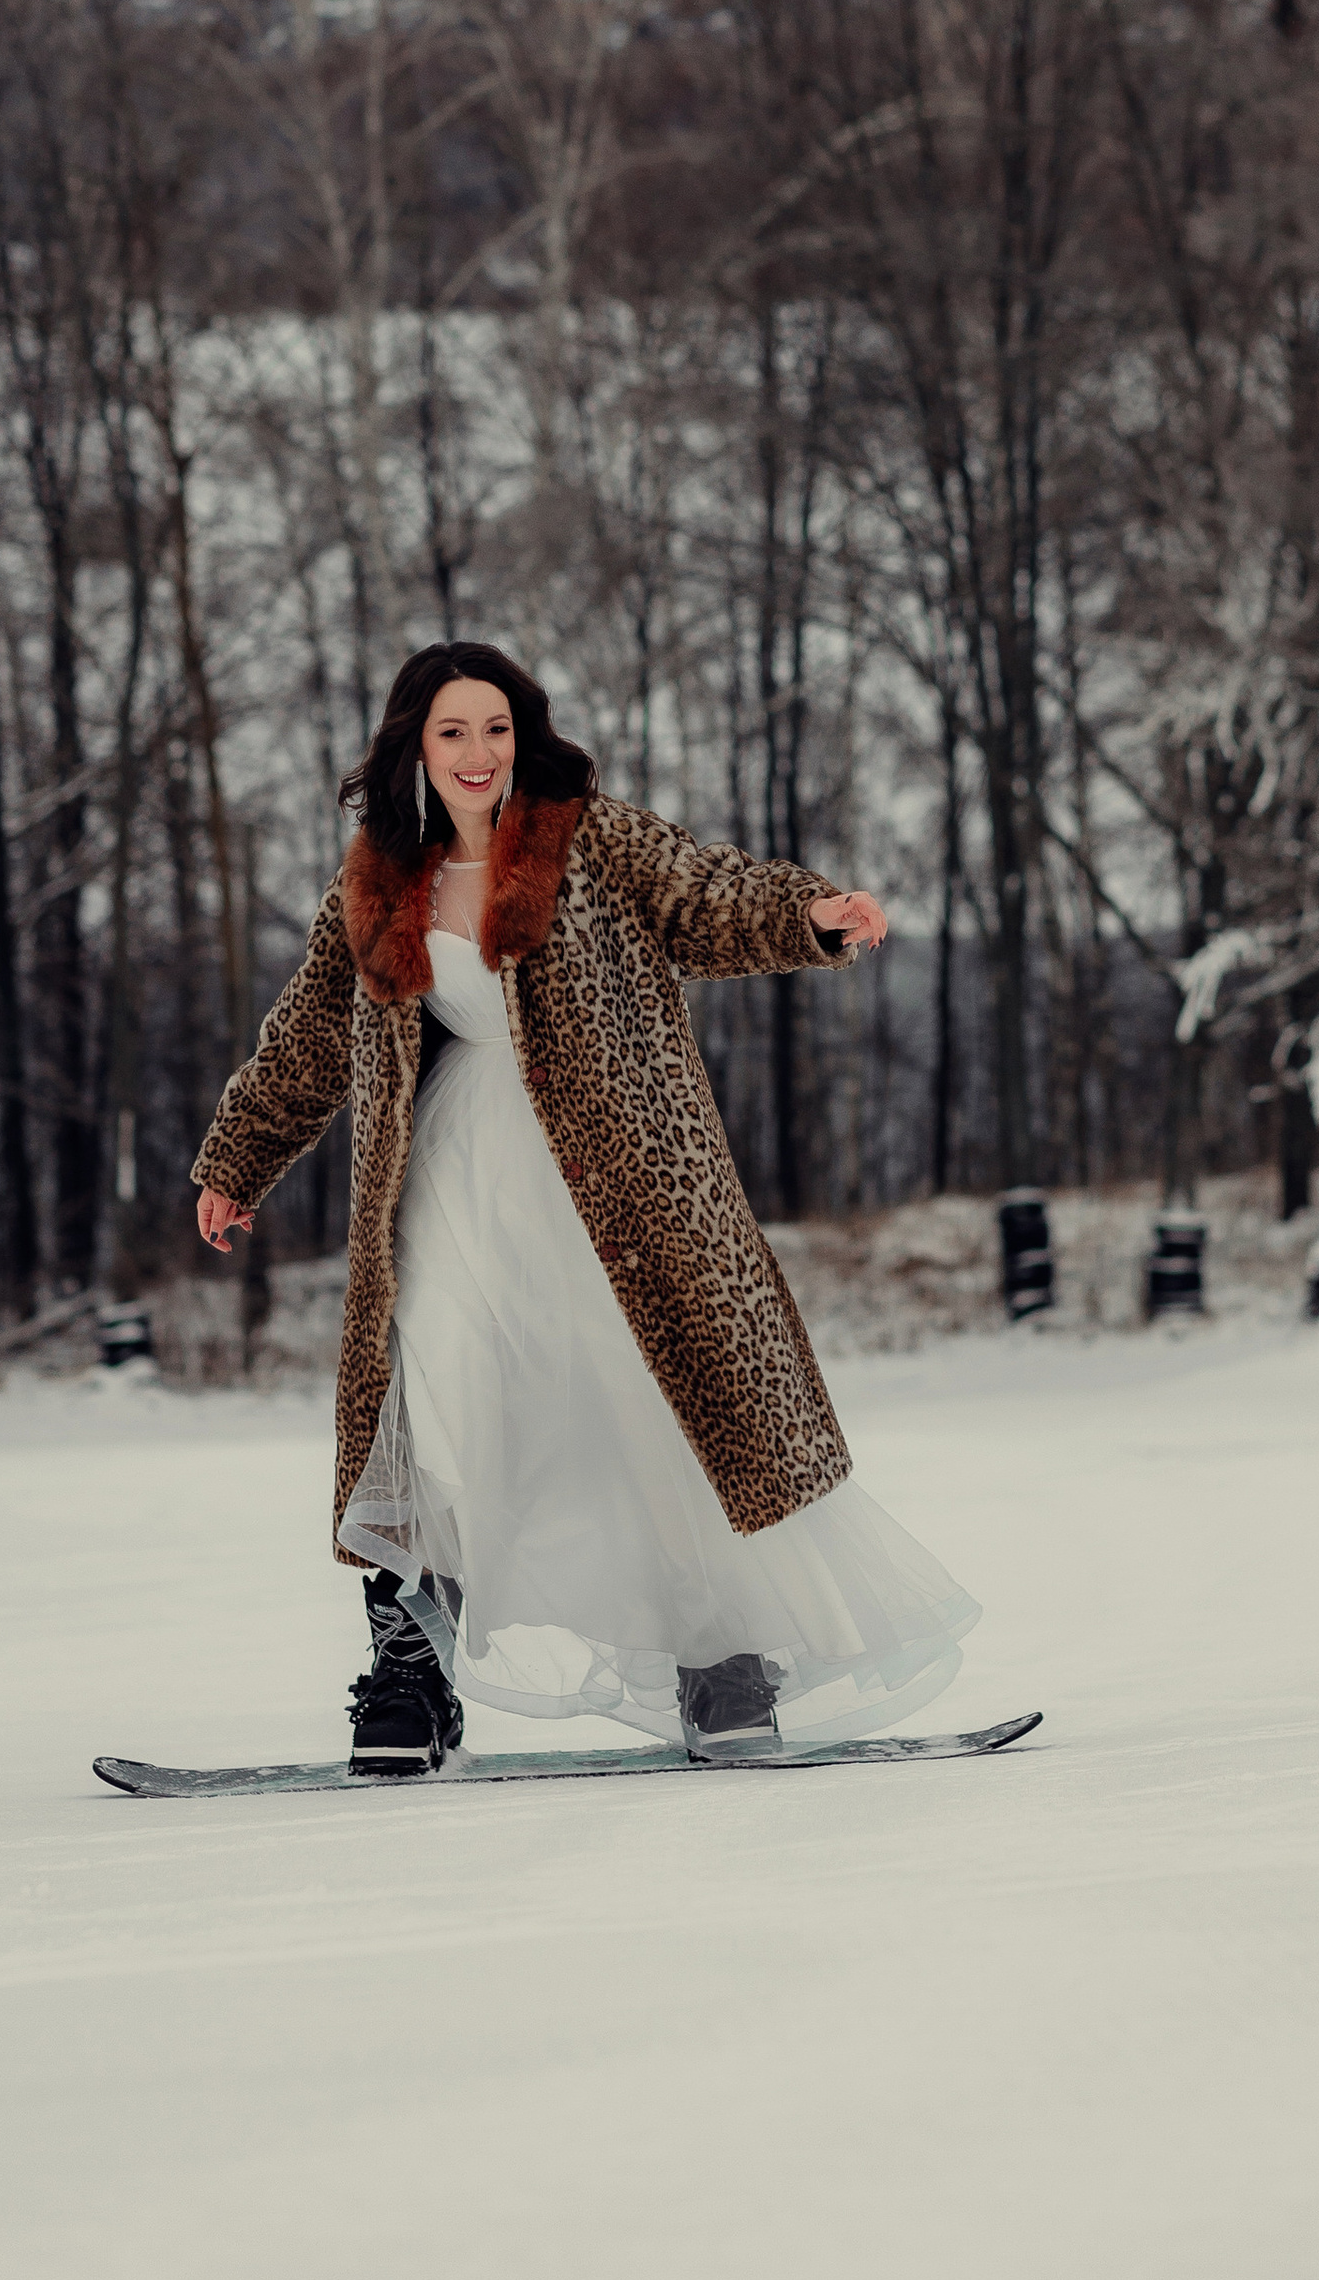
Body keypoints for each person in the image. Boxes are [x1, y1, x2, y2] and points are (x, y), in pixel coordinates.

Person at [192, 642, 977, 1773]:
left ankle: (723, 1659)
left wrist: (810, 914)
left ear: (525, 737)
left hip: (615, 1182)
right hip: (452, 1180)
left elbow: (708, 894)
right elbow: (310, 1033)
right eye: (454, 731)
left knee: (647, 1392)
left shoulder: (590, 840)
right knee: (438, 1395)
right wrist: (239, 1158)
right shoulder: (376, 880)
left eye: (497, 729)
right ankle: (415, 1679)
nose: (478, 754)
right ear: (416, 740)